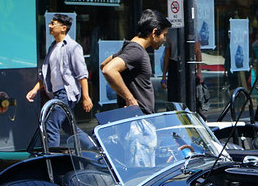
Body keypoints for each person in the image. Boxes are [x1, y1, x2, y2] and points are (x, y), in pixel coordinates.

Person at [26, 14, 93, 148]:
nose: (49, 26)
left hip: (66, 93)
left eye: (53, 23)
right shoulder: (52, 47)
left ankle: (53, 157)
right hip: (56, 93)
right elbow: (46, 74)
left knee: (51, 125)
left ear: (63, 28)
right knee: (69, 128)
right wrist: (34, 90)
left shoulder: (73, 47)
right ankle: (93, 147)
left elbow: (82, 74)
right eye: (50, 23)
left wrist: (86, 97)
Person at [101, 9, 171, 115]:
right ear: (154, 32)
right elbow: (108, 69)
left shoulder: (129, 47)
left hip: (134, 117)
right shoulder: (136, 51)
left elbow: (103, 65)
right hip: (138, 118)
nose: (164, 39)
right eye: (164, 35)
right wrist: (129, 98)